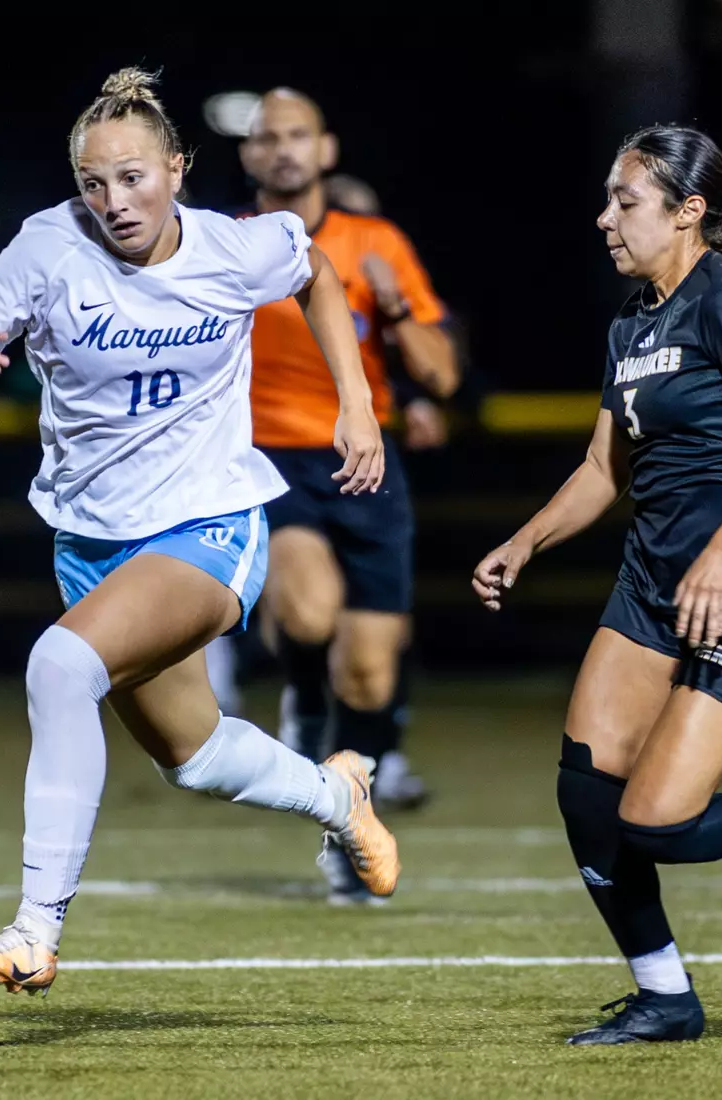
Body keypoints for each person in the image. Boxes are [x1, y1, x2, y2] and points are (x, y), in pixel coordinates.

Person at [0, 67, 400, 997]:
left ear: (178, 168)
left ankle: (34, 930)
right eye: (94, 184)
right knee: (195, 756)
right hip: (92, 542)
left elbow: (317, 272)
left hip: (211, 522)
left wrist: (357, 403)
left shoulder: (232, 248)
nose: (115, 201)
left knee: (60, 666)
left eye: (134, 177)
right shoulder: (47, 248)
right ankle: (339, 797)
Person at [472, 124, 722, 1045]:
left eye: (626, 202)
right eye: (609, 199)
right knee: (586, 794)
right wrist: (524, 542)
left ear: (689, 212)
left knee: (656, 820)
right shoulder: (631, 321)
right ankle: (664, 997)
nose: (605, 218)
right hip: (653, 585)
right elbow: (603, 472)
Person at [229, 88, 460, 903]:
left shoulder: (375, 242)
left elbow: (439, 372)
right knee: (310, 614)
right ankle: (297, 685)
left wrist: (394, 308)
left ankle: (348, 822)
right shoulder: (226, 246)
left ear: (326, 150)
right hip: (268, 462)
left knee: (367, 674)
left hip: (366, 463)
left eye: (299, 135)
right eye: (269, 138)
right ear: (249, 155)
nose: (284, 149)